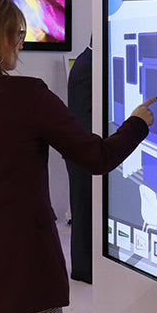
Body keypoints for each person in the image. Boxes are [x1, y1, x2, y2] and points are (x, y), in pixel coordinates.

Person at [0, 0, 157, 313]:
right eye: (17, 34)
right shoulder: (29, 96)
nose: (21, 43)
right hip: (23, 281)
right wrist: (137, 123)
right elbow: (96, 158)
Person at [66, 38, 93, 284]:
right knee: (83, 210)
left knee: (83, 208)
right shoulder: (87, 65)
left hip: (81, 150)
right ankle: (84, 269)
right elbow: (84, 117)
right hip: (82, 151)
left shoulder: (86, 62)